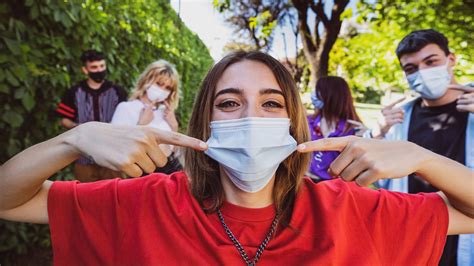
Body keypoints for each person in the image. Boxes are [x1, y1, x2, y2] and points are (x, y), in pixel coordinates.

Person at [0, 51, 473, 265]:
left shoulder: (350, 208)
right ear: (205, 122)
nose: (250, 115)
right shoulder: (146, 201)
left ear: (293, 123)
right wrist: (71, 140)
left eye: (271, 103)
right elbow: (8, 200)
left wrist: (419, 156)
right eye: (229, 103)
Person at [371, 29, 474, 265]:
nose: (423, 73)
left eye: (431, 61)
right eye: (411, 68)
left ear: (451, 59)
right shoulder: (399, 119)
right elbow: (378, 177)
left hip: (466, 233)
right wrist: (379, 132)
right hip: (418, 234)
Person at [55, 49, 127, 182]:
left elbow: (127, 120)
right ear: (85, 70)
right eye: (94, 67)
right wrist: (80, 127)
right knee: (85, 195)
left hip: (113, 155)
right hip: (83, 154)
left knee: (115, 192)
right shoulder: (74, 92)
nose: (99, 70)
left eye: (102, 66)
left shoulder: (118, 92)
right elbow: (64, 121)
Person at [111, 60, 182, 174]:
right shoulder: (126, 108)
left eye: (168, 87)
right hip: (145, 177)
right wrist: (141, 125)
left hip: (173, 171)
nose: (162, 90)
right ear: (146, 80)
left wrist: (174, 126)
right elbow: (117, 151)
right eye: (159, 84)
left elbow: (174, 151)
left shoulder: (165, 112)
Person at [306, 76, 366, 182]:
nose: (313, 94)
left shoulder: (352, 130)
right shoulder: (307, 122)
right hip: (306, 182)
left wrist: (366, 138)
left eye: (317, 91)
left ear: (330, 95)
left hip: (335, 187)